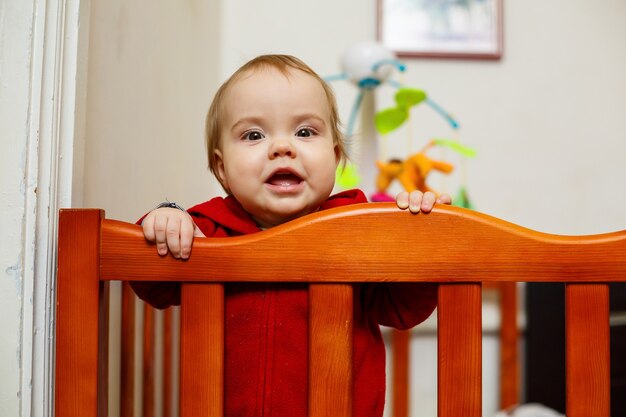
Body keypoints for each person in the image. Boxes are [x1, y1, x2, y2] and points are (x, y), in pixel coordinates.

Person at [133, 54, 451, 417]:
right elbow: (150, 281)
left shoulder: (356, 228)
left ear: (334, 157)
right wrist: (166, 217)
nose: (282, 147)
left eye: (305, 132)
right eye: (253, 135)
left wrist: (418, 238)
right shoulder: (208, 231)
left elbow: (402, 309)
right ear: (221, 168)